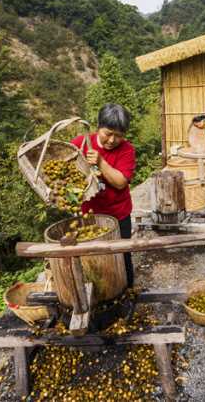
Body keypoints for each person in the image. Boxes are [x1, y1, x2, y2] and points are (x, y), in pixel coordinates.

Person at [71, 103, 136, 288]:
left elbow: (120, 182)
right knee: (93, 259)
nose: (112, 140)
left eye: (119, 135)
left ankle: (127, 291)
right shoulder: (79, 144)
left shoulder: (127, 150)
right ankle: (100, 292)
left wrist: (100, 162)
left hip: (118, 215)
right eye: (108, 133)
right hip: (88, 215)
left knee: (123, 256)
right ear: (98, 127)